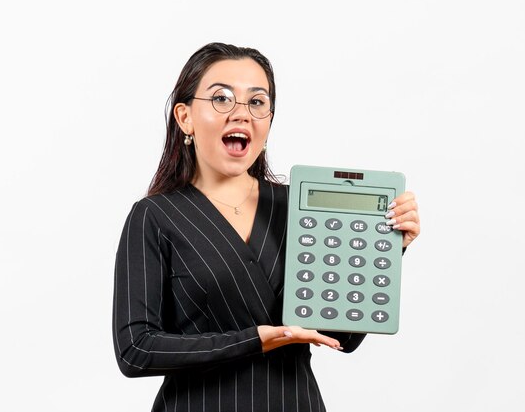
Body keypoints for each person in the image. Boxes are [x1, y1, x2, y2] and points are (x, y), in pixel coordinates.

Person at [112, 42, 421, 411]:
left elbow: (342, 336)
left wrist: (385, 247)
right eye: (221, 99)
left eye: (257, 102)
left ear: (269, 121)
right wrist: (255, 340)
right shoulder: (154, 216)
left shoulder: (298, 205)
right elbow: (135, 349)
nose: (241, 114)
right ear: (185, 118)